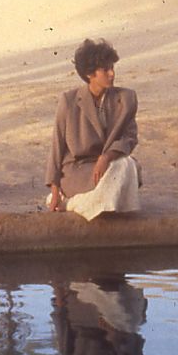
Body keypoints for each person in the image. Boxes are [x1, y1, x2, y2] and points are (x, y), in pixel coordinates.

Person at [45, 38, 142, 219]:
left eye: (112, 68)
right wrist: (55, 189)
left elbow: (130, 137)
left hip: (109, 165)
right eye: (105, 70)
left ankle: (78, 203)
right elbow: (57, 147)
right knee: (123, 169)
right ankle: (77, 202)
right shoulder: (69, 101)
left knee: (127, 165)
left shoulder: (126, 99)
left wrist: (106, 157)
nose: (112, 74)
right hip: (78, 171)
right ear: (90, 74)